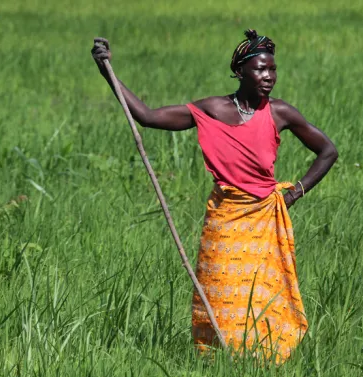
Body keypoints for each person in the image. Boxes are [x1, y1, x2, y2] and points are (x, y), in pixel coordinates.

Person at [91, 29, 338, 363]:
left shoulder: (280, 113)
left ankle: (264, 361)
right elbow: (148, 117)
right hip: (224, 218)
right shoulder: (212, 110)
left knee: (264, 294)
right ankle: (217, 361)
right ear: (240, 72)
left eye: (272, 69)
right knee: (219, 292)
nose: (268, 76)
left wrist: (295, 193)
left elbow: (327, 151)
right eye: (260, 69)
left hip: (264, 219)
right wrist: (108, 72)